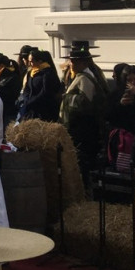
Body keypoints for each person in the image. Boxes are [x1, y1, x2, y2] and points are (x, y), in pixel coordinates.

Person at [58, 41, 107, 182]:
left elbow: (85, 103)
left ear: (83, 63)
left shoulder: (86, 78)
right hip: (78, 127)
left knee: (83, 160)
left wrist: (67, 98)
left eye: (74, 61)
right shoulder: (77, 76)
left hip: (83, 128)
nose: (71, 64)